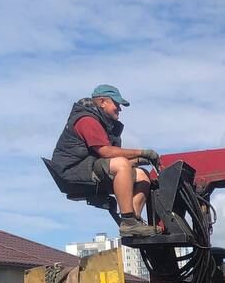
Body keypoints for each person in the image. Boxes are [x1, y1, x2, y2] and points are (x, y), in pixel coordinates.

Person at [48, 85, 161, 238]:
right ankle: (128, 221)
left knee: (142, 175)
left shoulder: (104, 124)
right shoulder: (86, 120)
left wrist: (139, 160)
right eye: (117, 104)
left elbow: (105, 158)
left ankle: (133, 221)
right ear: (102, 102)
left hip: (90, 165)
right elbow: (105, 152)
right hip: (73, 170)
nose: (119, 109)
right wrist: (142, 152)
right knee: (122, 164)